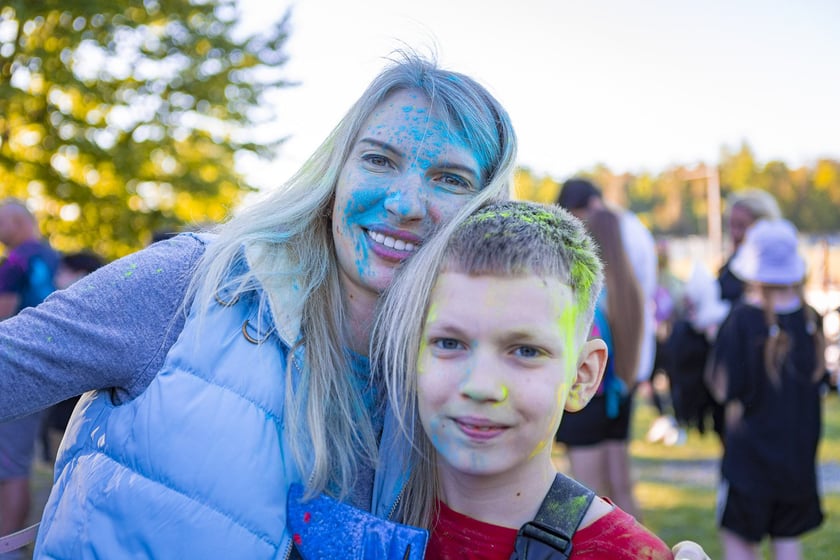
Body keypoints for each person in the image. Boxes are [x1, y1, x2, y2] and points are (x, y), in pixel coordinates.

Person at [0, 52, 518, 558]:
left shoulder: (464, 377)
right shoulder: (193, 283)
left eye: (450, 179)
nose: (403, 204)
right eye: (379, 160)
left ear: (486, 209)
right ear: (338, 171)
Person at [371, 200, 674, 559]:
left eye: (525, 351)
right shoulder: (356, 521)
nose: (481, 386)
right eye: (449, 343)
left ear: (582, 376)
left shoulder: (621, 554)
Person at [706, 219, 824, 560]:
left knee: (740, 546)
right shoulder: (809, 318)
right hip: (797, 464)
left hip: (749, 466)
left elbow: (723, 386)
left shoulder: (742, 320)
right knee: (788, 544)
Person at [554, 208, 645, 520]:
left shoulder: (588, 292)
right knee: (622, 489)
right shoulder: (630, 290)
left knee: (586, 498)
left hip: (589, 399)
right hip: (621, 396)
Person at [0, 199, 59, 560]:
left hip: (14, 369)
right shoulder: (55, 258)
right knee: (16, 460)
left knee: (10, 466)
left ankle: (8, 548)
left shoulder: (16, 263)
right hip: (47, 372)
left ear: (17, 221)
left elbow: (3, 321)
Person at [38, 251, 106, 464]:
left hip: (73, 416)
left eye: (61, 272)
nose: (56, 277)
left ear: (81, 275)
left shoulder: (78, 315)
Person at [717, 188, 781, 304]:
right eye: (731, 225)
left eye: (741, 226)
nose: (734, 233)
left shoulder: (773, 270)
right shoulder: (734, 261)